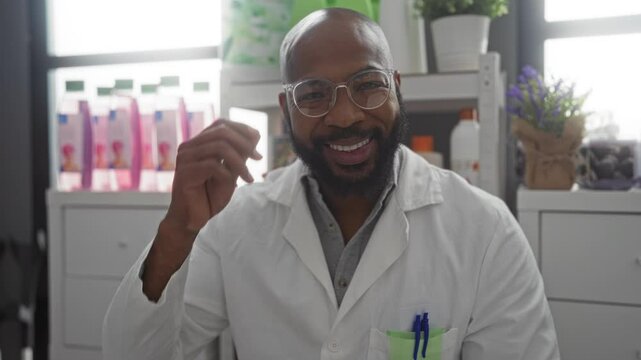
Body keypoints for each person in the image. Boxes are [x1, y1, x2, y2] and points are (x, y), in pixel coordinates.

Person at [103, 8, 559, 360]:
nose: (345, 116)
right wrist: (177, 230)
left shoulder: (484, 231)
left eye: (368, 84)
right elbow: (132, 353)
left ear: (397, 89)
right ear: (286, 109)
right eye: (315, 94)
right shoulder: (236, 226)